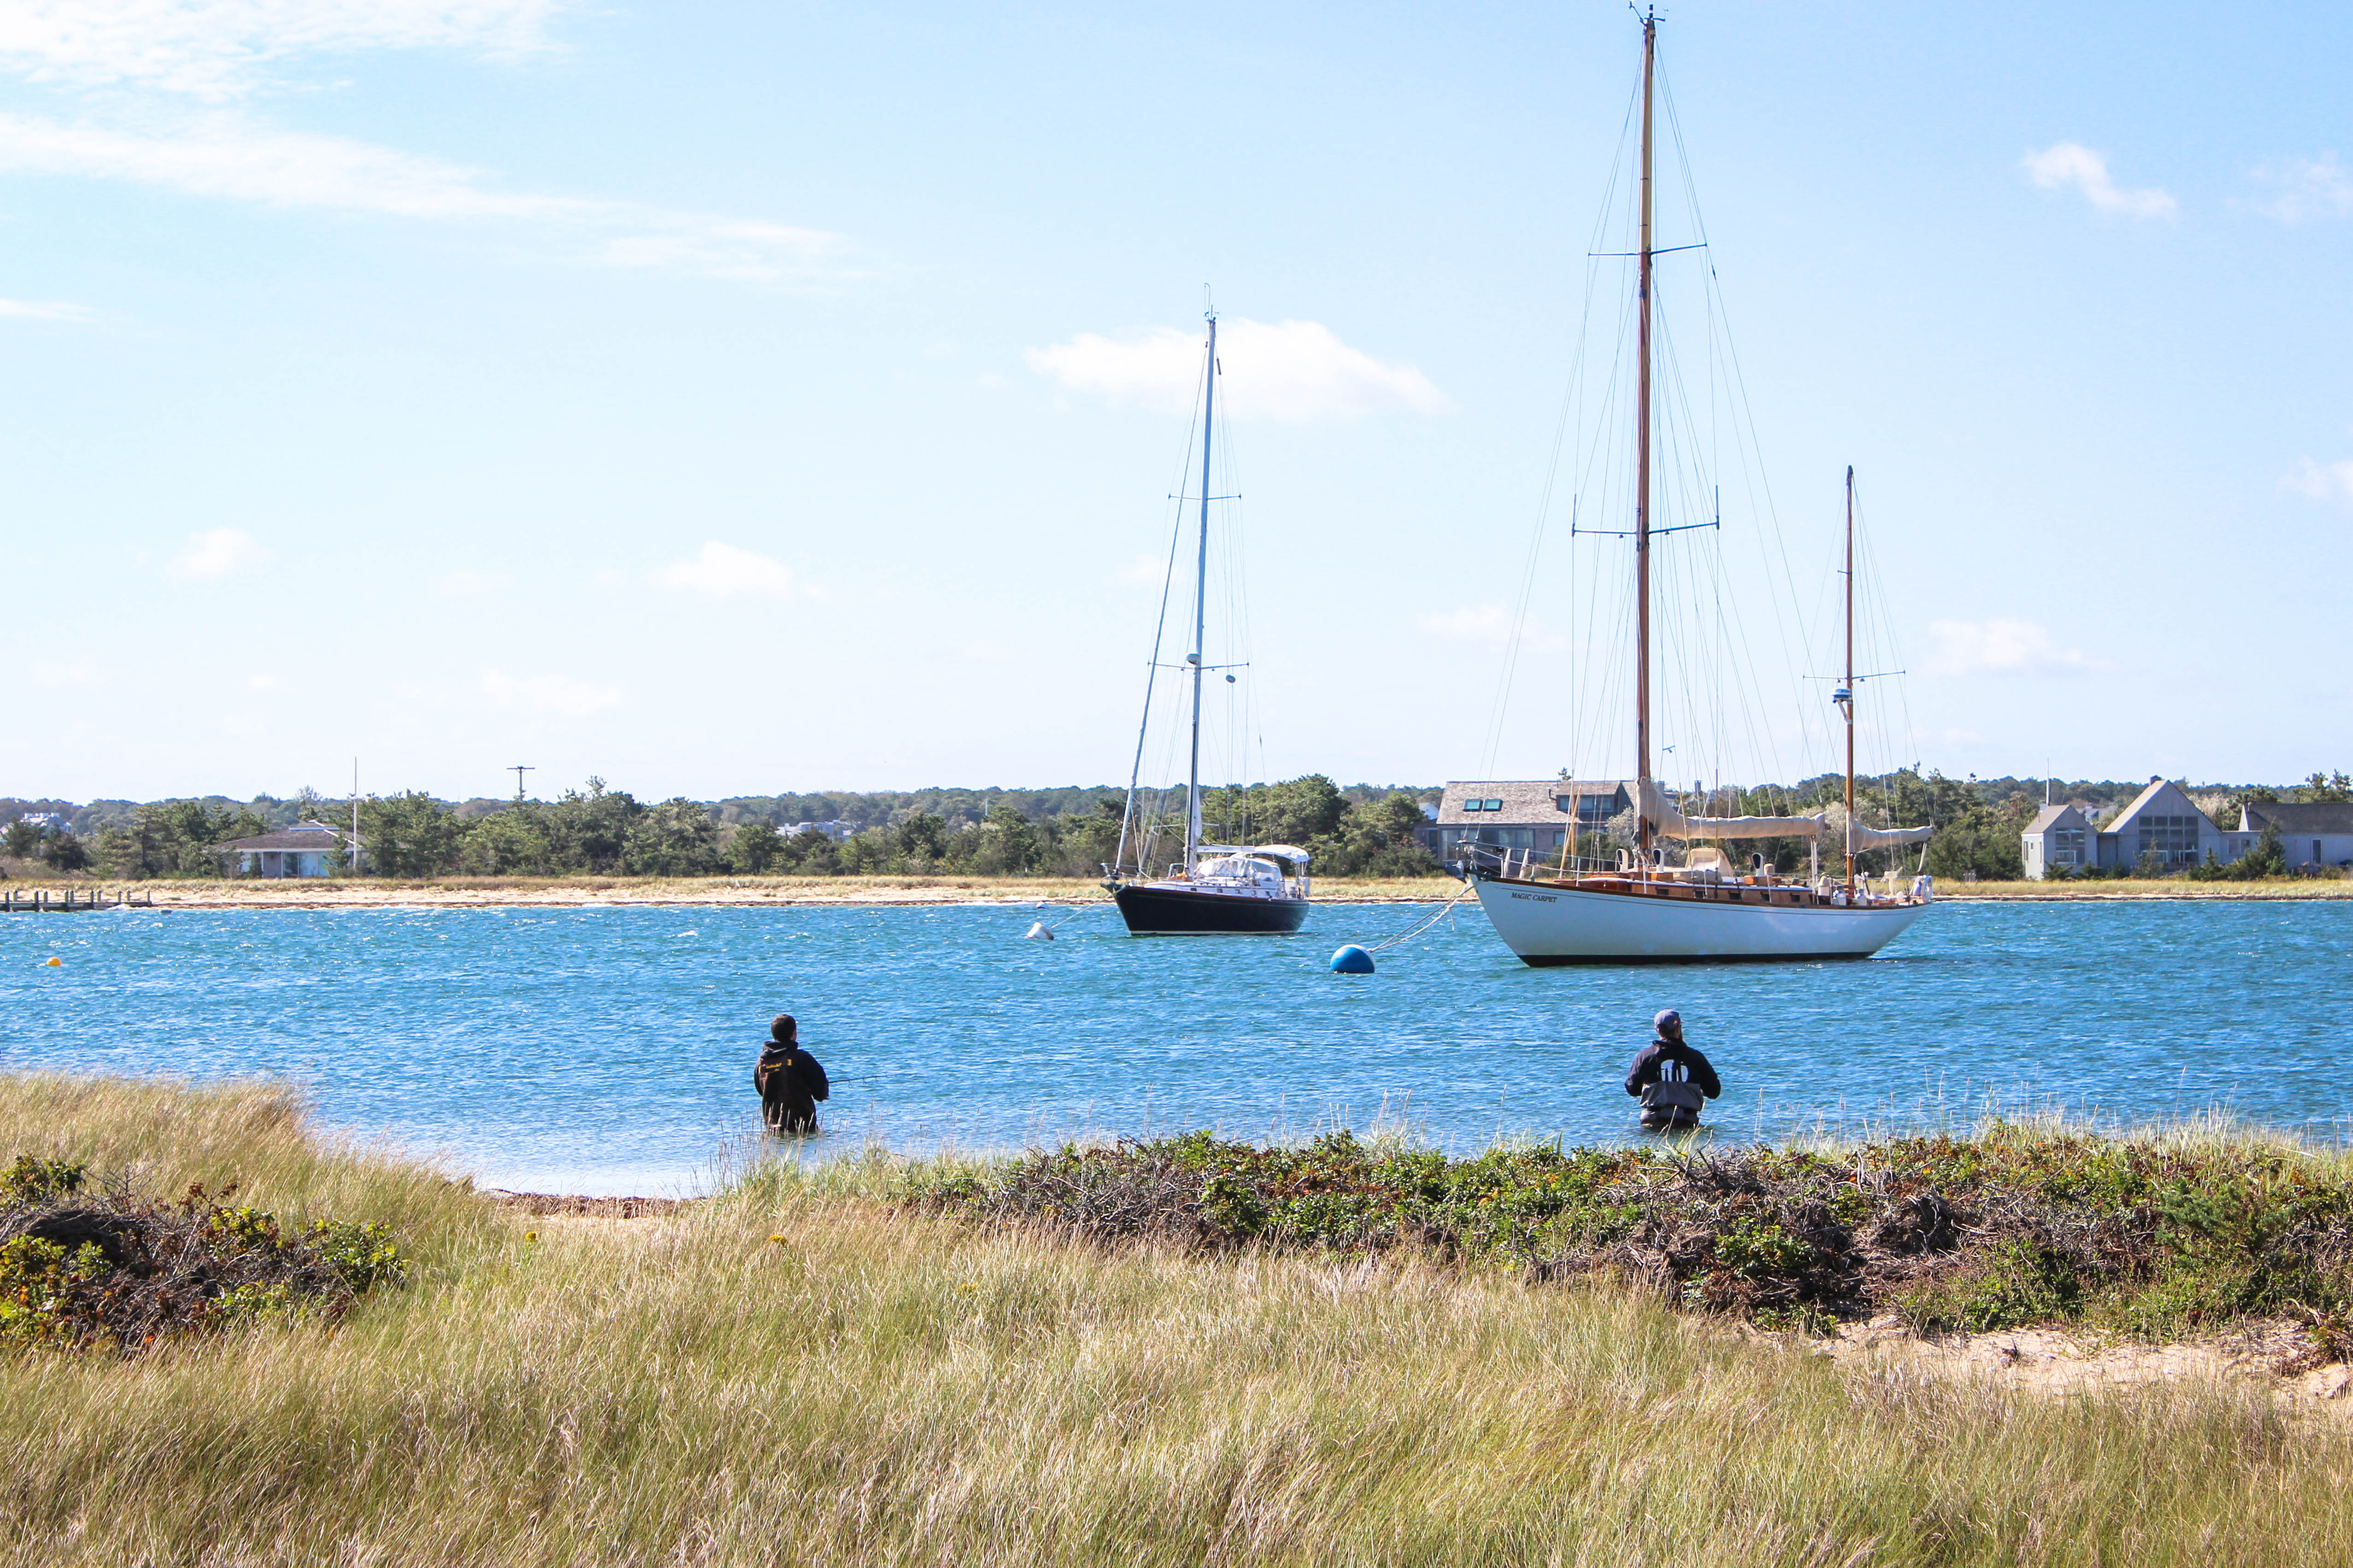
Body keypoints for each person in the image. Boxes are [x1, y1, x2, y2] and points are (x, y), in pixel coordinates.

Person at [1623, 1008, 1721, 1132]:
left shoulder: (1645, 1057)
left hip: (1653, 1123)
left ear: (1657, 1030)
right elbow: (1714, 1092)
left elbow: (1632, 1089)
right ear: (1678, 1029)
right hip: (1687, 1122)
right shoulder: (1696, 1057)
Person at [753, 1014, 830, 1135]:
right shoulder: (802, 1058)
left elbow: (761, 1091)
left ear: (774, 1035)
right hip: (804, 1127)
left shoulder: (761, 1062)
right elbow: (820, 1091)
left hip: (773, 1130)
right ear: (794, 1034)